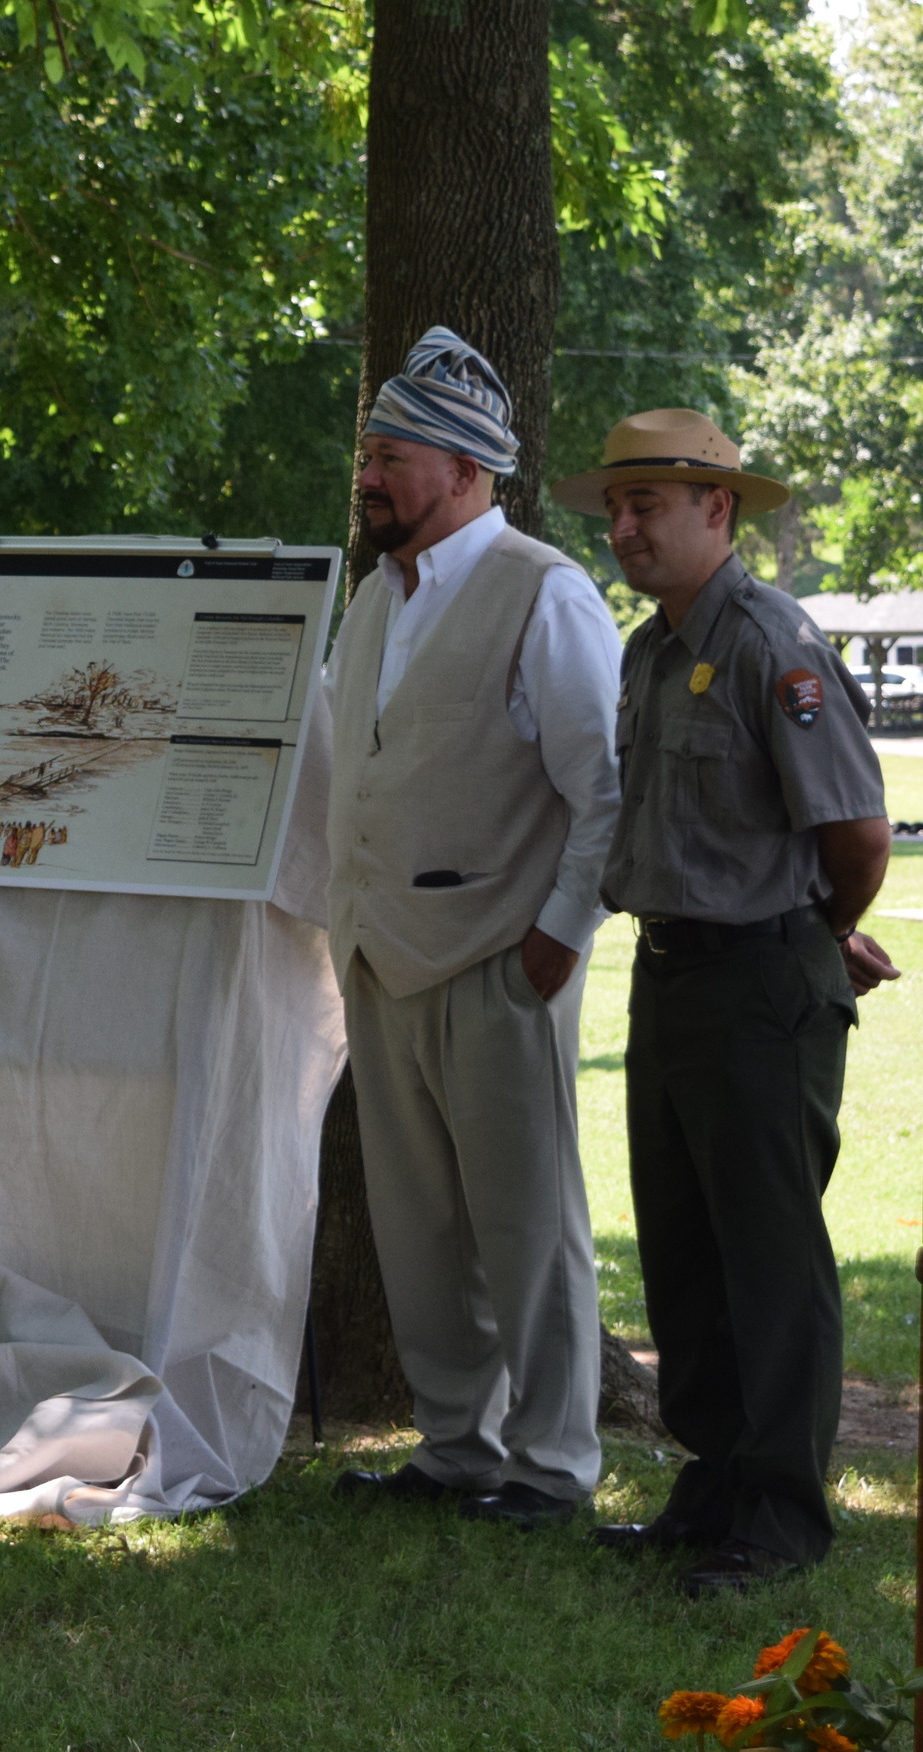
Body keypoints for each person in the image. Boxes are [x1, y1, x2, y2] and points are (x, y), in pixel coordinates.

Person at [560, 408, 900, 1598]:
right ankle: (710, 1485)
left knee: (770, 1257)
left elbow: (858, 834)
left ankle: (784, 1516)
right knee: (686, 1250)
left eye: (647, 503)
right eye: (615, 504)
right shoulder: (651, 646)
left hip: (760, 979)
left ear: (721, 509)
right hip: (672, 973)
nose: (622, 525)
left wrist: (808, 933)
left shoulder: (772, 641)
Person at [322, 326, 625, 1533]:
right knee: (418, 1225)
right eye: (369, 451)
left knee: (530, 1226)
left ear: (463, 468)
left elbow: (605, 787)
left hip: (505, 959)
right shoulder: (369, 602)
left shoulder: (546, 592)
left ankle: (553, 1468)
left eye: (390, 453)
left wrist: (558, 931)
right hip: (380, 956)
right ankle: (457, 1448)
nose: (370, 474)